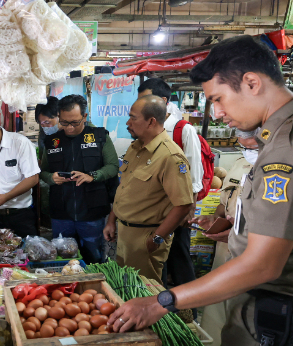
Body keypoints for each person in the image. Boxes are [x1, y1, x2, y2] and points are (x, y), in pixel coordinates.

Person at [107, 36, 293, 346]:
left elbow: (264, 264)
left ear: (251, 83)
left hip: (274, 306)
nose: (217, 113)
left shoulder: (283, 148)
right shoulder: (274, 139)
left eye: (218, 99)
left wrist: (161, 301)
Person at [103, 95, 194, 284]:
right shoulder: (135, 148)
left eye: (133, 117)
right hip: (124, 233)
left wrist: (156, 239)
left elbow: (183, 205)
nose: (128, 123)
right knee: (126, 288)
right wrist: (112, 219)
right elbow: (125, 188)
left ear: (151, 121)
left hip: (145, 238)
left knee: (144, 294)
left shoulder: (170, 156)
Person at [138, 79, 202, 318]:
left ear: (163, 102)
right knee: (158, 262)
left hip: (177, 208)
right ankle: (161, 312)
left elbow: (195, 172)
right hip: (154, 210)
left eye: (145, 100)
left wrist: (189, 209)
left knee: (180, 257)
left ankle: (191, 313)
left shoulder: (182, 129)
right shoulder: (145, 130)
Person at [193, 129, 258, 345]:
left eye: (245, 131)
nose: (239, 137)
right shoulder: (240, 163)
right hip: (224, 253)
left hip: (253, 257)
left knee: (243, 324)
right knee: (216, 316)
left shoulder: (280, 169)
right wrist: (213, 218)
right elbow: (224, 203)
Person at [40, 94, 119, 264]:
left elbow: (113, 167)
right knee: (62, 261)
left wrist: (92, 176)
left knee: (94, 258)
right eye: (64, 122)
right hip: (61, 213)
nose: (69, 128)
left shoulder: (99, 137)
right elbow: (42, 171)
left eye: (75, 122)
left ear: (84, 116)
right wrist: (51, 178)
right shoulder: (52, 141)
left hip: (92, 214)